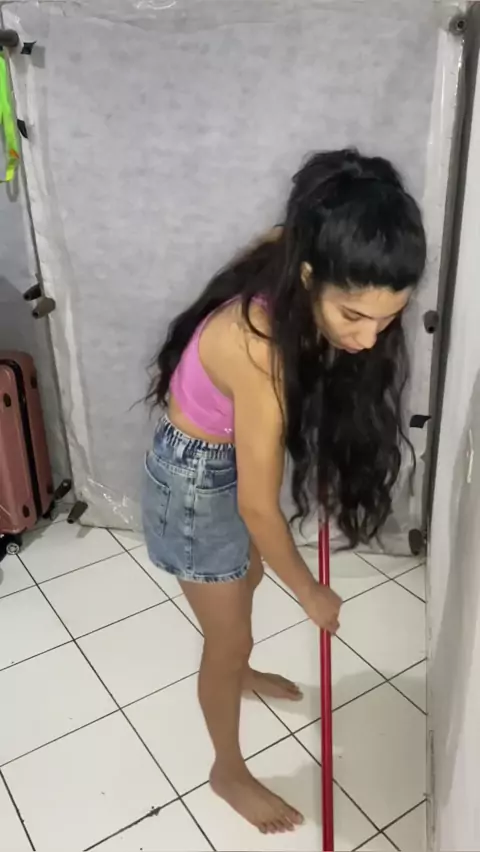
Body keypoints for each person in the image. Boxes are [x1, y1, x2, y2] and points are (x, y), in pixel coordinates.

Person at [143, 148, 426, 835]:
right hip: (195, 481)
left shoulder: (300, 246)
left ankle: (240, 671)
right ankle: (227, 769)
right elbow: (257, 506)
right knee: (228, 635)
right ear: (308, 278)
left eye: (387, 319)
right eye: (353, 316)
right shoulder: (256, 347)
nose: (369, 339)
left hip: (221, 462)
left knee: (248, 576)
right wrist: (311, 592)